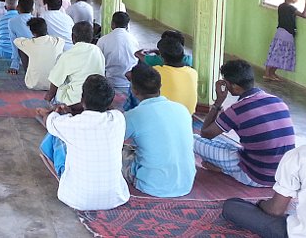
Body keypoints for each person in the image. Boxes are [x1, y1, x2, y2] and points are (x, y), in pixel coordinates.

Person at [195, 59, 296, 187]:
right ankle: (225, 168)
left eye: (226, 83)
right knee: (229, 147)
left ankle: (227, 170)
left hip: (257, 177)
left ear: (235, 87)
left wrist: (219, 101)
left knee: (192, 139)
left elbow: (205, 134)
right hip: (282, 177)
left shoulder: (237, 110)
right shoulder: (277, 101)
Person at [36, 75, 129, 211]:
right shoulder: (119, 119)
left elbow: (48, 121)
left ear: (82, 99)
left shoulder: (71, 124)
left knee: (55, 136)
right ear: (110, 101)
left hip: (77, 199)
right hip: (116, 198)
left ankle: (61, 175)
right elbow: (108, 109)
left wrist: (56, 112)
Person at [122, 63, 195, 197]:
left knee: (116, 152)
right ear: (160, 87)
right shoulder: (181, 109)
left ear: (134, 90)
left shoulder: (133, 115)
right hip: (186, 183)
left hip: (151, 185)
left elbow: (111, 141)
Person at [222, 134, 306, 238]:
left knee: (232, 206)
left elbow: (276, 210)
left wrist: (261, 204)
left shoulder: (300, 155)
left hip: (302, 234)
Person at [45, 21, 105, 107]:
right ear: (92, 37)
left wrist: (48, 98)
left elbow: (55, 81)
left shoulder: (67, 55)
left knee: (62, 80)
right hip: (96, 99)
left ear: (73, 37)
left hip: (74, 101)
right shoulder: (98, 51)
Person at [265, 0, 306, 81]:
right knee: (280, 55)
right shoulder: (291, 8)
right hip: (287, 34)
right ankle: (269, 74)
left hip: (280, 32)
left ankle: (270, 73)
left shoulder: (281, 6)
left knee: (275, 53)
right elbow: (304, 15)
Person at [96, 11, 140, 107]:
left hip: (110, 84)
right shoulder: (133, 40)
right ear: (127, 25)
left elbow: (98, 63)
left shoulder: (103, 40)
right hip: (128, 84)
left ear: (112, 24)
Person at [13, 18, 63, 90]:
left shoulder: (29, 43)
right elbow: (62, 40)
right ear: (46, 29)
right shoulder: (57, 41)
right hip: (55, 85)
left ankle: (28, 73)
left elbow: (16, 41)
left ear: (33, 32)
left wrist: (31, 39)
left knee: (22, 49)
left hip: (33, 84)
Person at [152, 37, 198, 114]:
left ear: (162, 58)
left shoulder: (156, 71)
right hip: (187, 115)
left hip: (165, 115)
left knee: (140, 86)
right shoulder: (193, 72)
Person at [7, 0, 34, 74]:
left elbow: (14, 43)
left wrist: (14, 65)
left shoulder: (12, 21)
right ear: (32, 9)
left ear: (17, 7)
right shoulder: (36, 20)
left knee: (21, 45)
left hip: (24, 58)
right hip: (39, 55)